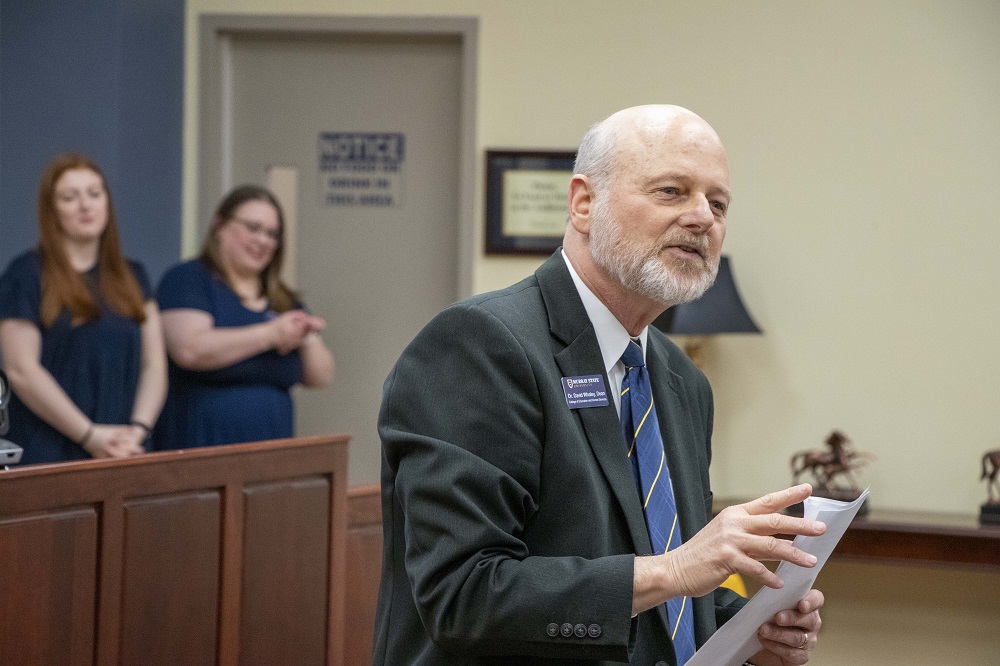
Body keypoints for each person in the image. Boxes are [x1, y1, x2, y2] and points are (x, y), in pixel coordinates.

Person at [375, 105, 826, 665]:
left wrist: (751, 633)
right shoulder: (479, 348)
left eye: (718, 203)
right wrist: (678, 569)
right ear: (584, 203)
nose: (702, 218)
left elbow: (660, 582)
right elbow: (463, 597)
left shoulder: (683, 382)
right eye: (671, 191)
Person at [0, 153, 167, 464]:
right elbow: (21, 370)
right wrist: (90, 435)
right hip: (51, 451)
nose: (86, 205)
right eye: (69, 197)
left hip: (126, 451)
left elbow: (154, 365)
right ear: (52, 211)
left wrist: (137, 431)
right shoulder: (26, 274)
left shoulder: (133, 275)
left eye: (94, 193)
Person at [153, 185, 334, 450]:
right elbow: (189, 349)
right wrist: (270, 335)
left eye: (273, 234)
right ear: (220, 225)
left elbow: (320, 377)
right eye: (253, 228)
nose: (263, 241)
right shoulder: (188, 279)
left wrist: (307, 335)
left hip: (271, 453)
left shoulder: (282, 298)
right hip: (200, 446)